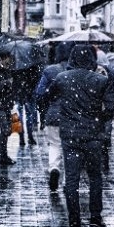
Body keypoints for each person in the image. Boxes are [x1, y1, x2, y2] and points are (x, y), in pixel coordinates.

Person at [47, 44, 114, 227]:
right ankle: (95, 216)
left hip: (70, 135)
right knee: (95, 176)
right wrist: (101, 118)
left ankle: (74, 220)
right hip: (93, 134)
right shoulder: (100, 80)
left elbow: (45, 97)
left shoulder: (62, 78)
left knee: (72, 179)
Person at [34, 41, 74, 193]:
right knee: (70, 148)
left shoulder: (50, 71)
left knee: (55, 144)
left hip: (53, 115)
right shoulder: (76, 71)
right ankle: (66, 181)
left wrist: (45, 106)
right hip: (72, 116)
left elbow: (39, 94)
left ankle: (54, 168)